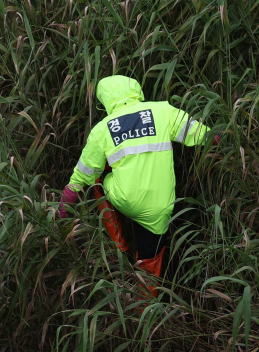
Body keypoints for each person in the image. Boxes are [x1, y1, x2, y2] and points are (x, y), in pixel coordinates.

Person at [57, 75, 215, 292]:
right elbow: (202, 134)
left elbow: (80, 177)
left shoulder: (102, 129)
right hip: (162, 207)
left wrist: (61, 211)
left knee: (96, 175)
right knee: (152, 255)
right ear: (136, 91)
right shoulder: (162, 110)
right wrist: (226, 140)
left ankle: (118, 247)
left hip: (125, 200)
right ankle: (146, 306)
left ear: (106, 100)